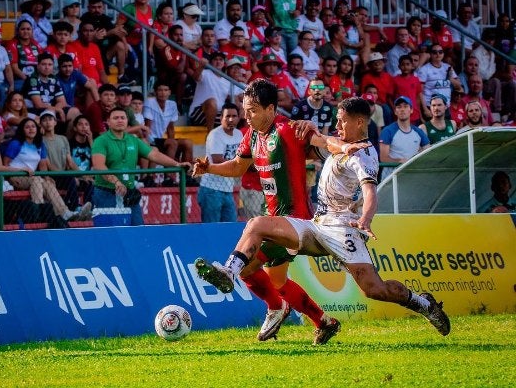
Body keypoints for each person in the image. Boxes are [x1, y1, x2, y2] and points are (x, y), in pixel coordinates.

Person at [194, 96, 451, 338]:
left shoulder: (363, 155)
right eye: (337, 119)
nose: (337, 124)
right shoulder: (342, 143)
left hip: (343, 229)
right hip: (316, 225)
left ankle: (423, 303)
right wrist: (310, 127)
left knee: (375, 289)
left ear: (359, 122)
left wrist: (366, 218)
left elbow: (370, 192)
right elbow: (324, 141)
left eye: (342, 120)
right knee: (256, 224)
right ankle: (229, 271)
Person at [193, 79, 358, 344]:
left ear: (271, 108)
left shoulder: (288, 130)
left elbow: (323, 143)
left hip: (295, 221)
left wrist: (346, 146)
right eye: (245, 110)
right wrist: (209, 168)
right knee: (275, 281)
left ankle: (231, 273)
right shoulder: (253, 135)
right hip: (275, 220)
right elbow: (237, 166)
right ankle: (323, 321)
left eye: (253, 110)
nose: (247, 116)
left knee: (250, 254)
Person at [91, 107, 191, 225]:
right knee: (110, 234)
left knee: (137, 230)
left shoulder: (133, 140)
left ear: (127, 121)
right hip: (106, 193)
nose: (120, 120)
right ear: (108, 122)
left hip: (129, 192)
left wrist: (177, 164)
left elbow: (154, 155)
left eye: (122, 118)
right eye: (115, 118)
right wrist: (116, 182)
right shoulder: (100, 141)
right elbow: (99, 166)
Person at [3, 117, 91, 223]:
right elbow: (6, 164)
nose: (31, 129)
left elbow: (43, 165)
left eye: (33, 127)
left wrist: (47, 177)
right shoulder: (16, 144)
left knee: (48, 183)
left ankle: (65, 213)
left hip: (31, 176)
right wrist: (19, 170)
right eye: (27, 127)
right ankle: (38, 212)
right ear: (22, 130)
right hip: (16, 175)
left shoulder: (40, 144)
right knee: (36, 180)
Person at [198, 103, 244, 223]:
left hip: (227, 189)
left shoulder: (239, 134)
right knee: (212, 229)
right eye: (227, 116)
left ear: (239, 118)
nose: (231, 119)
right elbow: (217, 160)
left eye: (234, 116)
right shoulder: (215, 135)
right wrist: (240, 165)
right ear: (221, 118)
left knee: (230, 226)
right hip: (211, 189)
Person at [40, 110, 91, 216]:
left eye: (50, 119)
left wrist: (83, 175)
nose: (48, 122)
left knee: (88, 182)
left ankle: (89, 210)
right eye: (44, 120)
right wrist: (68, 175)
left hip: (66, 176)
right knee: (70, 179)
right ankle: (75, 208)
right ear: (41, 124)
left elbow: (70, 162)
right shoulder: (41, 141)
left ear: (55, 122)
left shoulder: (63, 139)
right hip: (53, 176)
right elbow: (48, 164)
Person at [143, 81, 194, 187]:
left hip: (162, 140)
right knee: (172, 143)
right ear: (156, 92)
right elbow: (147, 126)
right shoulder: (150, 102)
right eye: (160, 90)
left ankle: (187, 177)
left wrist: (173, 148)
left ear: (170, 92)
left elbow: (170, 128)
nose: (163, 93)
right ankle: (168, 177)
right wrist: (149, 142)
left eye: (166, 90)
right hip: (152, 139)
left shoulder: (172, 104)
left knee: (187, 143)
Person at [23, 53, 80, 133]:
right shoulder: (33, 79)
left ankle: (67, 141)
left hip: (50, 109)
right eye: (44, 64)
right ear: (38, 65)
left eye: (50, 64)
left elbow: (62, 101)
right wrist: (58, 110)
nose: (47, 67)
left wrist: (55, 110)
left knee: (75, 112)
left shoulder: (53, 79)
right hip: (35, 111)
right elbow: (38, 105)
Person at [379, 96, 430, 180]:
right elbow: (383, 158)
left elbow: (428, 152)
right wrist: (399, 161)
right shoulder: (387, 131)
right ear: (395, 111)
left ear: (411, 110)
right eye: (399, 107)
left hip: (411, 176)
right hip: (390, 178)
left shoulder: (418, 132)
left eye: (405, 106)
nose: (402, 109)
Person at [5, 19, 42, 92]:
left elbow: (42, 63)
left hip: (36, 78)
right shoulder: (12, 44)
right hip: (20, 79)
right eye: (23, 29)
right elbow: (14, 69)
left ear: (32, 31)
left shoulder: (36, 44)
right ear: (17, 31)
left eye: (28, 29)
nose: (26, 31)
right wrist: (29, 80)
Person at [392, 55, 423, 125]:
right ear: (399, 67)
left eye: (408, 64)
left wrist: (420, 115)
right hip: (400, 113)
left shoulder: (416, 79)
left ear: (412, 66)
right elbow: (390, 97)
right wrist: (394, 109)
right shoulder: (395, 80)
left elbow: (418, 98)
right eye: (403, 65)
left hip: (414, 113)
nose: (405, 67)